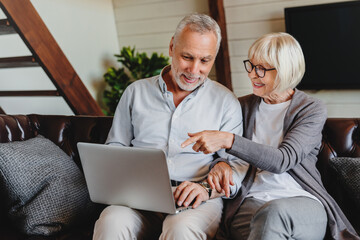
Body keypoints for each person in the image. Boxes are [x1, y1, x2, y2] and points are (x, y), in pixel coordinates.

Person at [182, 32, 360, 240]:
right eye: (251, 65)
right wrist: (220, 164)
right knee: (263, 222)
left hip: (302, 202)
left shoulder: (310, 109)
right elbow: (221, 156)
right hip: (250, 202)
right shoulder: (240, 106)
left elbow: (282, 160)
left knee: (273, 215)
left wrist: (228, 139)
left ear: (285, 71)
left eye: (261, 69)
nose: (252, 75)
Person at [92, 13, 248, 240]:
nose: (194, 70)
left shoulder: (226, 102)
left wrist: (206, 188)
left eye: (205, 60)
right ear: (172, 46)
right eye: (187, 57)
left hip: (196, 199)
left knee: (180, 230)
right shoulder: (135, 93)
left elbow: (235, 167)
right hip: (139, 196)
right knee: (111, 222)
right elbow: (115, 146)